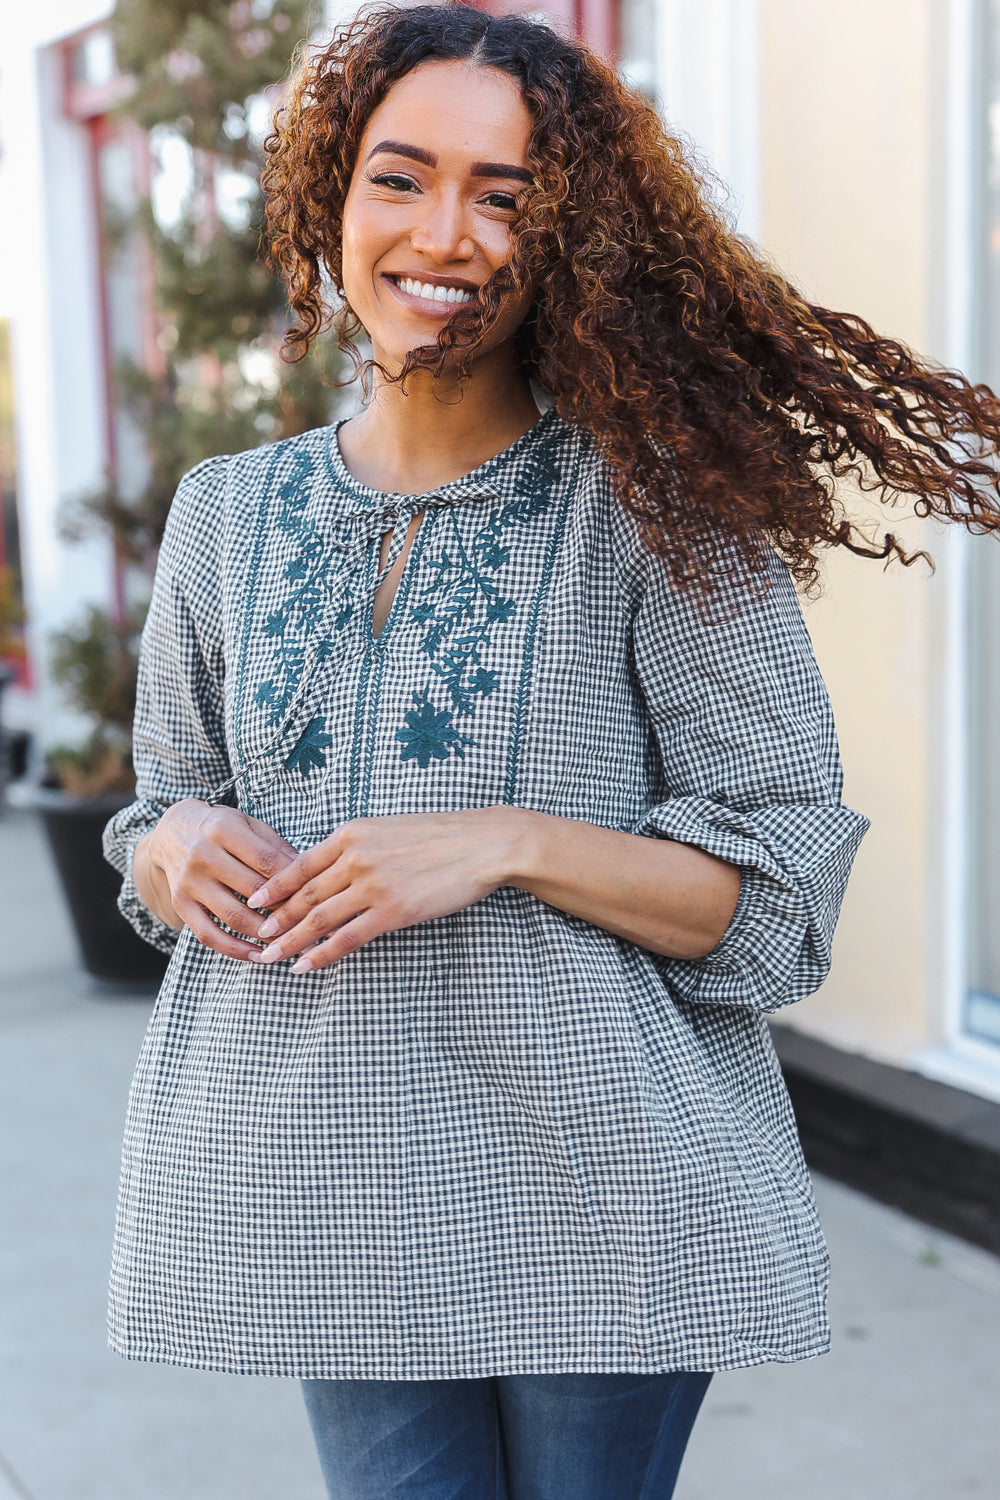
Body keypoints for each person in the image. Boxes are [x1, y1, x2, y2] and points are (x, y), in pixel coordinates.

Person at [103, 5, 1000, 1497]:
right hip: (338, 1187)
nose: (443, 233)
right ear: (334, 201)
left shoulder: (661, 509)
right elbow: (160, 803)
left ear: (567, 242)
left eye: (504, 196)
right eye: (402, 177)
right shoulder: (226, 515)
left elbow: (774, 900)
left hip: (609, 1188)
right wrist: (169, 842)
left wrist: (507, 838)